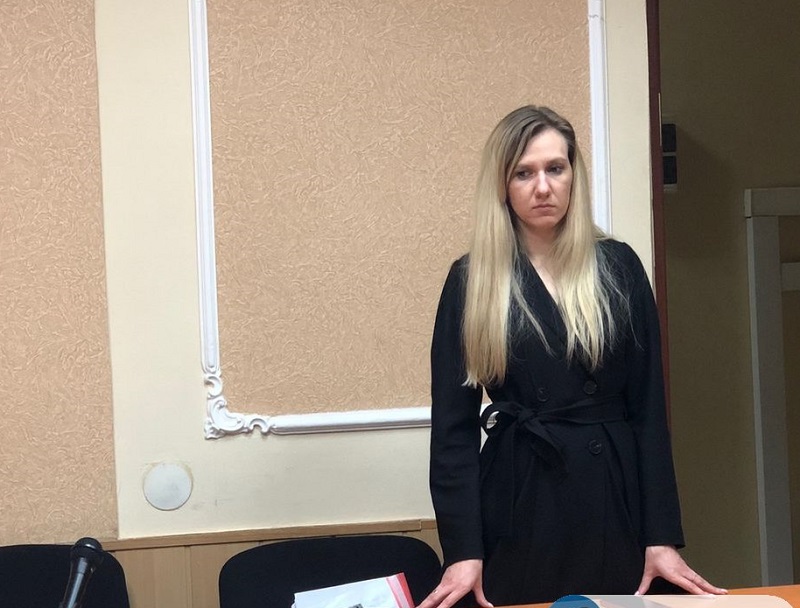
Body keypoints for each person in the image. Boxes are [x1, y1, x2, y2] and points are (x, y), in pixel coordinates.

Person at [420, 105, 725, 608]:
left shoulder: (618, 266)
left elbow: (648, 413)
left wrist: (661, 536)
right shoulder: (471, 281)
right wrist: (463, 551)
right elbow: (453, 433)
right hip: (518, 498)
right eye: (524, 173)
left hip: (612, 497)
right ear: (502, 185)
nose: (543, 187)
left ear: (572, 175)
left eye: (555, 168)